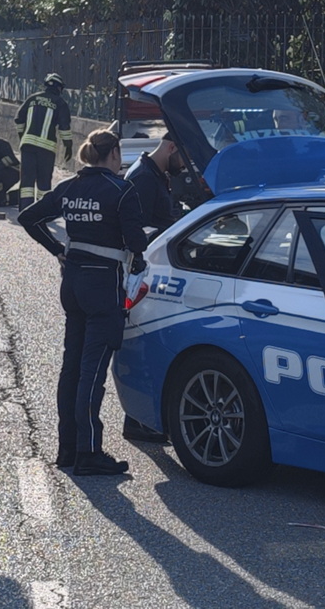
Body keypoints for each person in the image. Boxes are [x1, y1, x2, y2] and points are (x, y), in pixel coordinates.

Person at [17, 129, 146, 477]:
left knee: (71, 367)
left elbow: (29, 218)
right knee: (92, 371)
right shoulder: (122, 191)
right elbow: (136, 242)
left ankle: (68, 449)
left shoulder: (70, 188)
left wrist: (59, 250)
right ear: (115, 154)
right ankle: (89, 451)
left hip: (72, 282)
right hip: (103, 285)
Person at [116, 133, 186, 444]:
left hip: (154, 268)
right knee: (143, 343)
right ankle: (137, 420)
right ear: (171, 148)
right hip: (146, 271)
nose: (184, 166)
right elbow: (138, 230)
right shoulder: (144, 178)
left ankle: (142, 419)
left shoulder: (155, 174)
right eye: (182, 158)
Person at [13, 73, 73, 207]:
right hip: (46, 148)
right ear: (59, 88)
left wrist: (23, 137)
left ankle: (25, 209)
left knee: (27, 180)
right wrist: (68, 145)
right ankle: (41, 209)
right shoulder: (60, 103)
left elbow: (18, 120)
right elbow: (64, 127)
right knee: (44, 181)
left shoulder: (32, 98)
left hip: (27, 146)